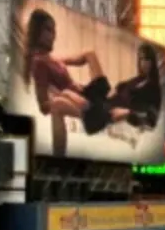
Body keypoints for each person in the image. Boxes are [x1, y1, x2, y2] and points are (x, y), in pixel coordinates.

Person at [20, 8, 107, 158]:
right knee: (58, 104)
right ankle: (59, 158)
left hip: (87, 92)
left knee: (89, 53)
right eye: (48, 30)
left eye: (54, 31)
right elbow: (44, 106)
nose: (53, 36)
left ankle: (96, 111)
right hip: (79, 100)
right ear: (37, 31)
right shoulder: (39, 62)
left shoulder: (51, 59)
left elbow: (82, 59)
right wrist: (63, 97)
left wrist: (61, 62)